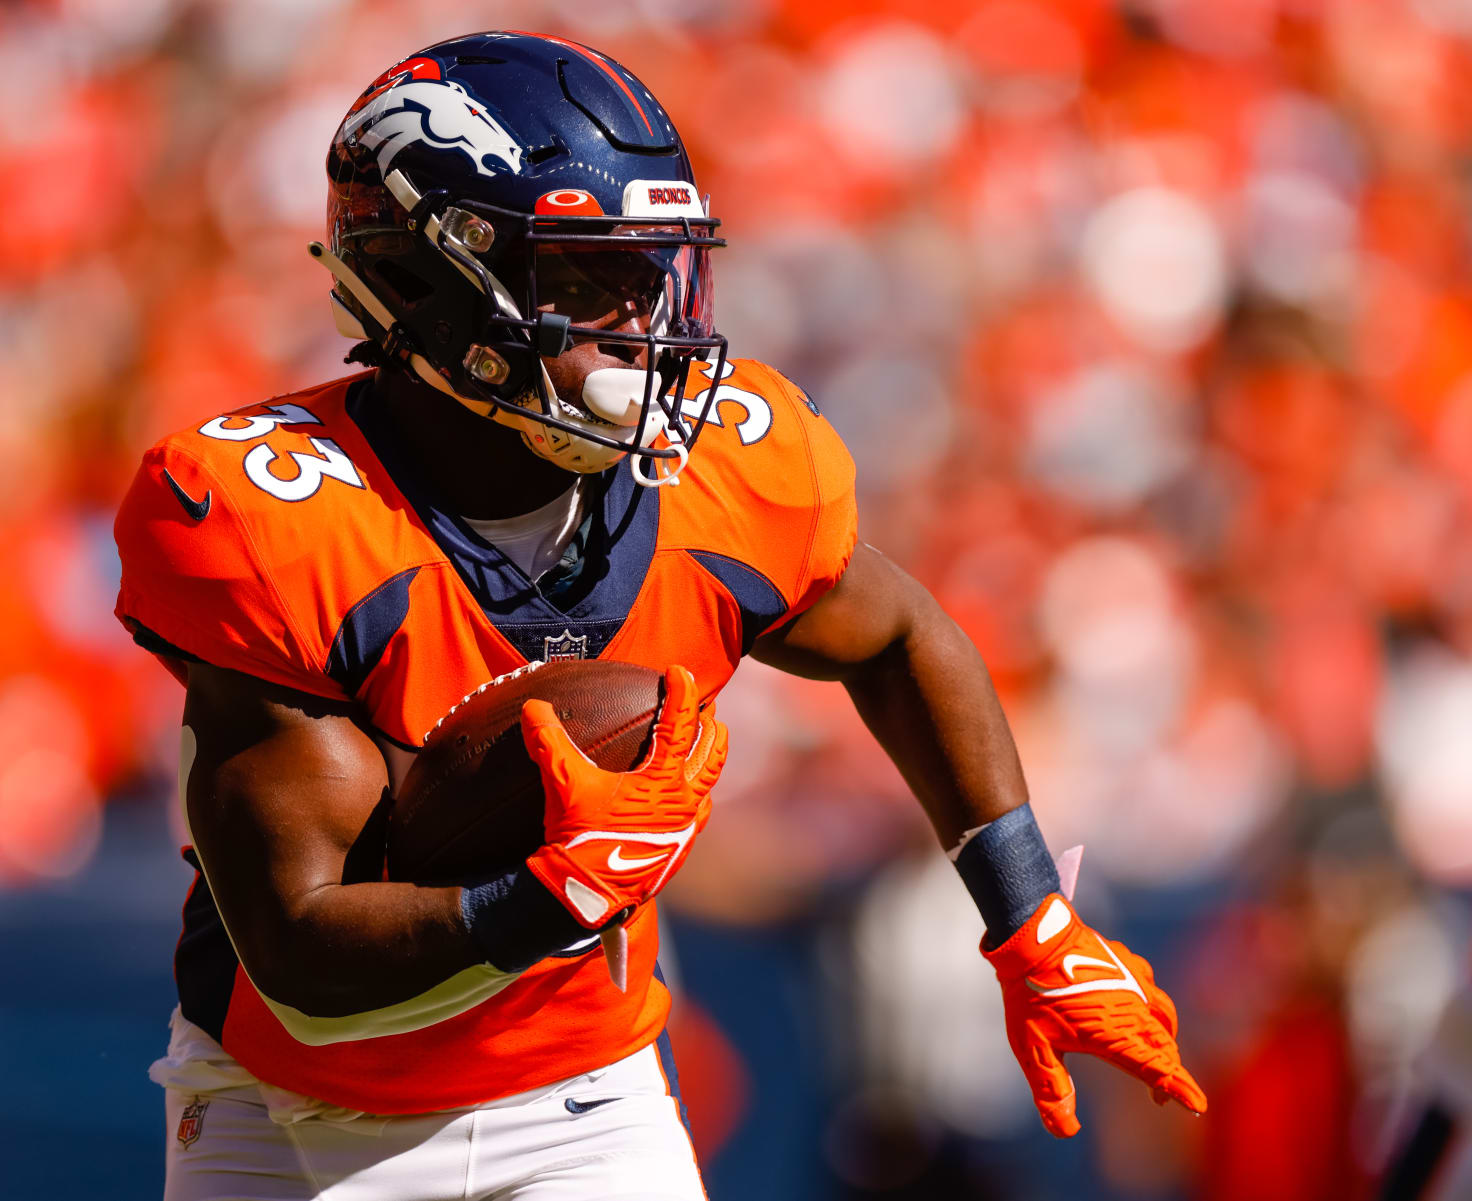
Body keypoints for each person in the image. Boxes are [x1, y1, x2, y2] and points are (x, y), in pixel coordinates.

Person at [112, 30, 1206, 1200]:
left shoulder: (724, 478)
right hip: (292, 1107)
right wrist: (550, 891)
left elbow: (899, 636)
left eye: (653, 277)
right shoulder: (275, 518)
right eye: (585, 284)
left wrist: (1028, 914)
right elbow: (298, 952)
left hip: (579, 1099)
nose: (643, 329)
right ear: (428, 284)